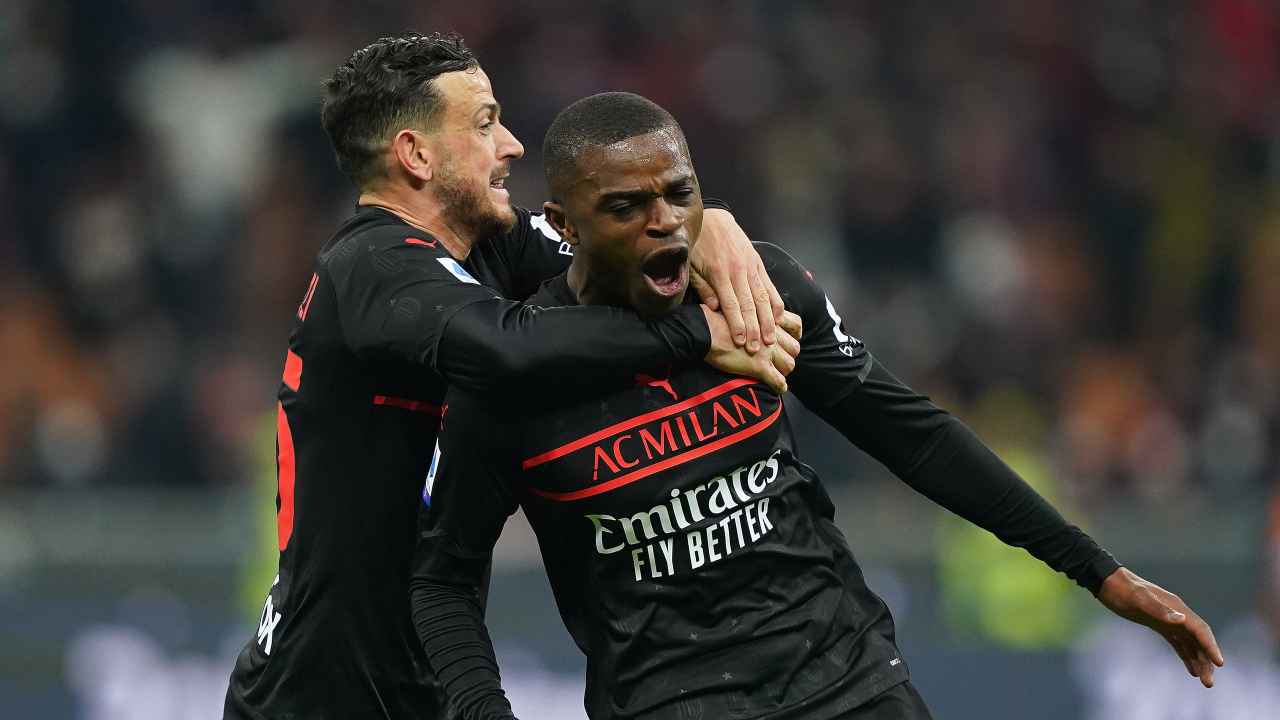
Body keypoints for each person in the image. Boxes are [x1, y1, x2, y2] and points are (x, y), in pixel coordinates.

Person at [409, 92, 1225, 720]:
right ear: (563, 225)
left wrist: (1096, 569)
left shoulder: (753, 291)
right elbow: (441, 582)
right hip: (671, 704)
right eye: (626, 207)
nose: (665, 226)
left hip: (850, 681)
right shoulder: (514, 370)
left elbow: (911, 433)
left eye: (680, 194)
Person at [222, 34, 802, 720]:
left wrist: (706, 226)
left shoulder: (487, 247)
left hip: (411, 681)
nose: (513, 145)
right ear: (415, 155)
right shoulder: (370, 265)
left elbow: (613, 252)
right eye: (484, 124)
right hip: (317, 694)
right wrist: (698, 333)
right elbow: (508, 349)